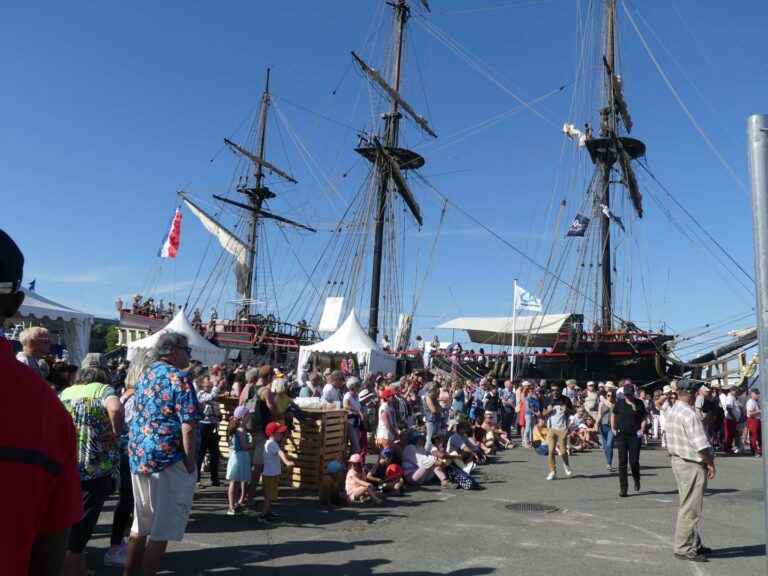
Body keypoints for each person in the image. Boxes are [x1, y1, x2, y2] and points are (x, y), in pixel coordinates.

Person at [0, 230, 84, 576]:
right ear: (16, 304)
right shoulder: (50, 417)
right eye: (46, 340)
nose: (49, 346)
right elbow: (49, 555)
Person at [124, 331, 199, 576]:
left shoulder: (146, 374)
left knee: (140, 523)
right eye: (187, 350)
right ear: (174, 351)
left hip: (139, 454)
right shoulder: (180, 378)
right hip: (168, 456)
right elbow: (188, 425)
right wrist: (190, 463)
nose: (190, 354)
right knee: (162, 528)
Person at [59, 361, 124, 576]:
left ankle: (79, 566)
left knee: (68, 513)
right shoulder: (103, 390)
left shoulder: (66, 392)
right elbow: (115, 408)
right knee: (86, 515)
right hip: (96, 462)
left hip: (67, 460)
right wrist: (116, 432)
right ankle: (72, 565)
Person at [665, 379, 716, 563]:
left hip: (678, 460)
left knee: (687, 502)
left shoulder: (673, 410)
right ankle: (684, 547)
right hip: (691, 463)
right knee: (691, 507)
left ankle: (694, 542)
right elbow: (701, 445)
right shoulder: (689, 414)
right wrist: (710, 463)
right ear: (693, 394)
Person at [240, 366, 278, 506]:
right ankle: (250, 498)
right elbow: (273, 410)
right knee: (258, 466)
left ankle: (242, 497)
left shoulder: (248, 388)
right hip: (261, 432)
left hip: (248, 430)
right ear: (269, 376)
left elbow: (240, 405)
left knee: (246, 465)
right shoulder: (266, 391)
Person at [611, 383, 647, 497]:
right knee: (622, 462)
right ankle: (623, 488)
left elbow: (643, 418)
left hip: (635, 435)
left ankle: (636, 479)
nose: (629, 397)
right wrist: (613, 428)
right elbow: (613, 415)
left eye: (630, 394)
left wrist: (643, 428)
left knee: (634, 461)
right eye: (627, 395)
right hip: (622, 434)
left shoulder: (639, 403)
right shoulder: (619, 403)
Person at [259, 422, 294, 523]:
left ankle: (268, 512)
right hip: (271, 475)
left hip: (267, 474)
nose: (281, 435)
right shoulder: (273, 444)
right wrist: (286, 461)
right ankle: (263, 515)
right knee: (269, 498)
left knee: (268, 496)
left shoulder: (266, 443)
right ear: (271, 434)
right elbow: (280, 452)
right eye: (279, 433)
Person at [195, 366, 221, 488]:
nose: (210, 380)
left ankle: (215, 478)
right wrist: (215, 384)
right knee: (201, 452)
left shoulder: (213, 392)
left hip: (213, 425)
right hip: (203, 425)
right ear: (202, 383)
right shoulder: (201, 393)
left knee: (215, 452)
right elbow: (211, 397)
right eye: (208, 379)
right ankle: (197, 479)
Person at [541, 381, 573, 480]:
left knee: (563, 451)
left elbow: (572, 412)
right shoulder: (547, 399)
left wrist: (566, 410)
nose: (554, 392)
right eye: (552, 390)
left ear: (560, 390)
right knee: (551, 451)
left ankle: (566, 464)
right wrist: (549, 411)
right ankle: (552, 471)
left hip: (562, 429)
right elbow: (543, 414)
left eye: (556, 390)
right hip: (551, 428)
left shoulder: (566, 399)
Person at [225, 406, 253, 515]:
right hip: (239, 457)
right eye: (249, 415)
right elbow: (244, 446)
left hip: (240, 457)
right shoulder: (240, 430)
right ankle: (231, 506)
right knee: (234, 482)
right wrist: (253, 444)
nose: (250, 417)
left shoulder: (241, 428)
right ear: (243, 416)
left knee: (236, 482)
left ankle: (235, 505)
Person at [594, 388, 616, 471]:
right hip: (603, 426)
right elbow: (599, 415)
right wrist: (596, 424)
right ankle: (608, 461)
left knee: (609, 444)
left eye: (612, 396)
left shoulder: (616, 404)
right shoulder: (601, 403)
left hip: (612, 427)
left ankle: (609, 463)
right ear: (606, 396)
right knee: (605, 446)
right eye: (608, 395)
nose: (610, 397)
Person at [343, 377, 366, 456]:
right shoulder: (348, 396)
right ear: (353, 387)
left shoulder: (356, 396)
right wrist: (358, 411)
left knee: (354, 447)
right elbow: (345, 406)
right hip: (350, 424)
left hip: (356, 423)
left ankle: (350, 464)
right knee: (357, 448)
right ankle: (351, 464)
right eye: (358, 385)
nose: (359, 387)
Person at [721, 386, 743, 454]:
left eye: (738, 391)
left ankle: (729, 448)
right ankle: (727, 449)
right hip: (730, 419)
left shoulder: (734, 398)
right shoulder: (730, 398)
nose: (737, 392)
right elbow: (729, 408)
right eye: (736, 391)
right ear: (732, 391)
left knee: (732, 435)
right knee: (729, 435)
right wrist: (733, 417)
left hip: (733, 420)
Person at [746, 388, 762, 457]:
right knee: (754, 437)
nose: (757, 394)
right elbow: (750, 413)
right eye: (756, 393)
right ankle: (754, 452)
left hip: (757, 420)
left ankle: (762, 451)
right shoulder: (751, 402)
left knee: (760, 436)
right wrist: (759, 411)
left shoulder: (756, 401)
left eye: (758, 393)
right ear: (752, 393)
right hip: (753, 420)